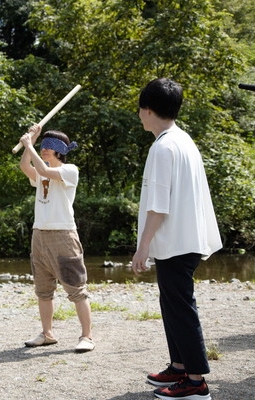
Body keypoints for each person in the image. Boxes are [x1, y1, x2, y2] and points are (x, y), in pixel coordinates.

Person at [132, 78, 221, 400]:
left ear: (149, 109)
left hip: (176, 241)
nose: (139, 115)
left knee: (180, 307)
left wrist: (142, 248)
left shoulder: (164, 147)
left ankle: (195, 382)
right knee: (172, 304)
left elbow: (158, 205)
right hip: (185, 238)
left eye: (141, 109)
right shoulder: (182, 139)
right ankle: (180, 365)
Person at [18, 124, 95, 353]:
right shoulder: (41, 170)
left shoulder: (70, 170)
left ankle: (87, 336)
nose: (44, 150)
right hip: (39, 234)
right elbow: (26, 166)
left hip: (63, 235)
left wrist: (30, 145)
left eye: (48, 147)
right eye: (43, 147)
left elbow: (42, 169)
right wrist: (30, 140)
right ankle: (47, 333)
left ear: (59, 150)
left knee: (76, 288)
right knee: (43, 290)